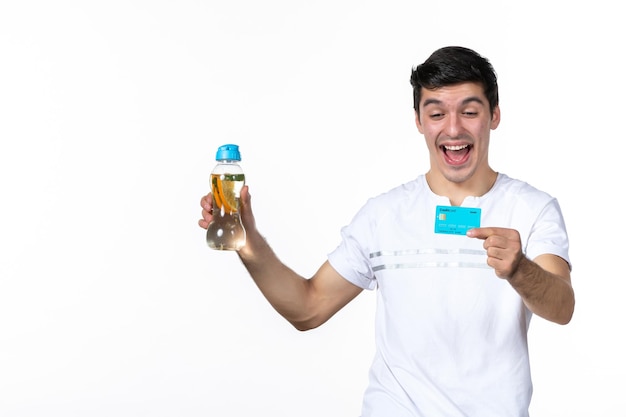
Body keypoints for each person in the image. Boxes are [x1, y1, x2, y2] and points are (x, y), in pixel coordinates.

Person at [198, 46, 575, 417]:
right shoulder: (383, 216)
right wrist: (247, 243)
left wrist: (520, 268)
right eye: (437, 113)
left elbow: (562, 307)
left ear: (494, 116)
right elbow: (307, 308)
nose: (453, 128)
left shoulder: (532, 208)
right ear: (418, 121)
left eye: (470, 112)